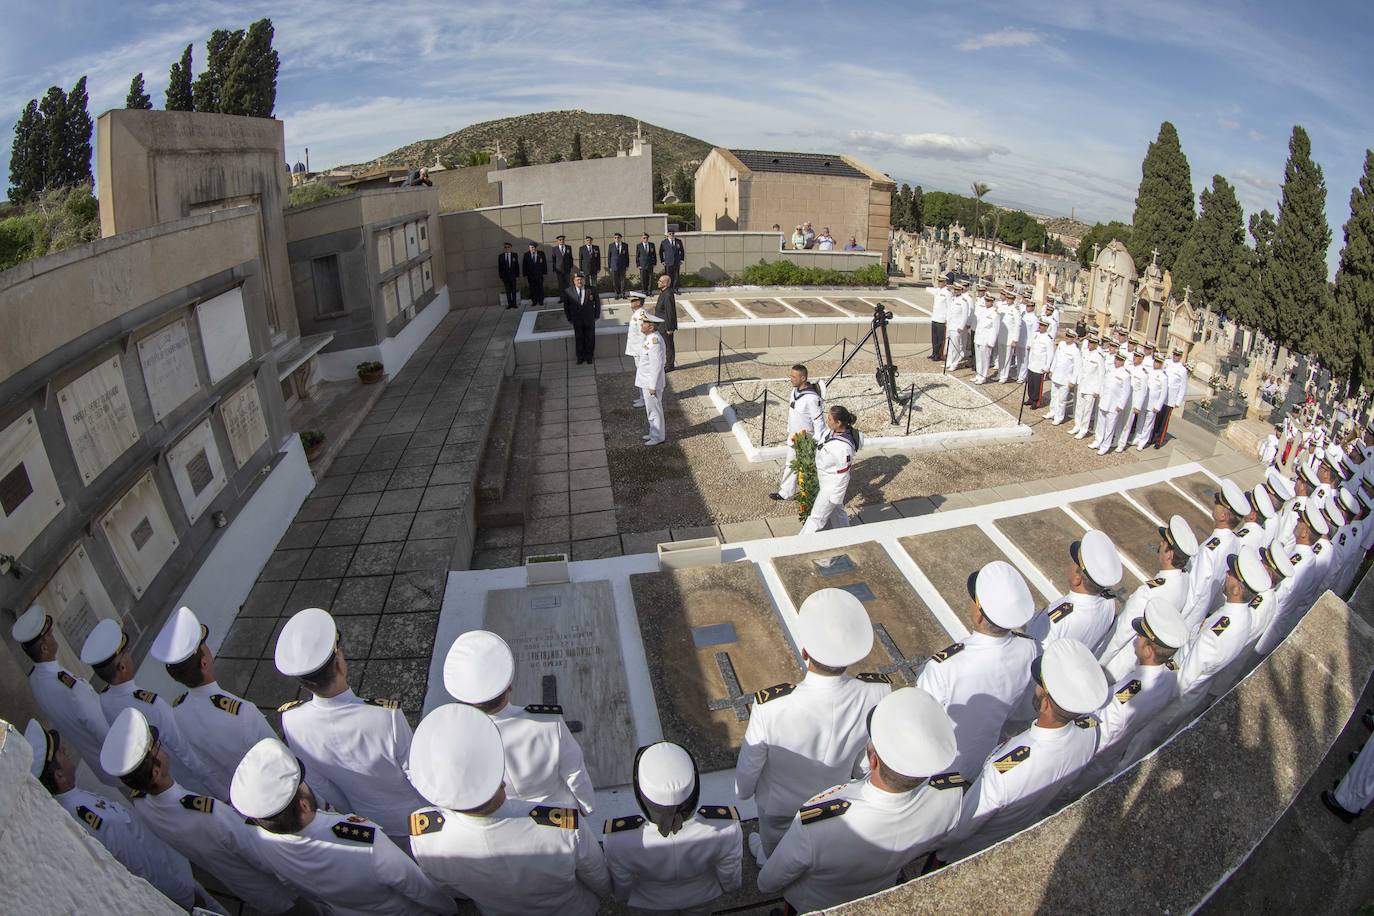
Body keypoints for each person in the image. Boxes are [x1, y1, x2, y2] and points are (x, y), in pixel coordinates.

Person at [757, 689, 963, 913]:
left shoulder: (819, 823)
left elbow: (769, 882)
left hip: (814, 904)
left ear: (873, 761)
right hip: (880, 889)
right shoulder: (949, 796)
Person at [406, 704, 609, 914]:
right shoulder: (563, 825)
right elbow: (596, 874)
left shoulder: (425, 838)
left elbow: (450, 888)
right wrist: (605, 893)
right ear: (501, 780)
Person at [735, 588, 891, 859]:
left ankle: (766, 859)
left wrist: (743, 792)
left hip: (778, 805)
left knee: (774, 850)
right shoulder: (877, 693)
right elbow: (863, 759)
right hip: (834, 800)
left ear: (805, 652)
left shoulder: (770, 706)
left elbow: (750, 765)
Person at [99, 707, 300, 914]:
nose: (162, 748)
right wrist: (295, 877)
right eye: (157, 747)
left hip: (244, 887)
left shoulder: (142, 804)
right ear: (157, 771)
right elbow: (258, 853)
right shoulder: (208, 813)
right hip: (278, 889)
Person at [230, 737, 455, 915]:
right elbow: (413, 884)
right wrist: (448, 908)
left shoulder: (260, 840)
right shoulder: (361, 841)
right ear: (304, 805)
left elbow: (292, 884)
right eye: (303, 784)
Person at [937, 639, 1109, 864]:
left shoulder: (1006, 770)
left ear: (1046, 703)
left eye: (1039, 684)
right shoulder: (1089, 732)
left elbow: (962, 828)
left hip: (967, 850)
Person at [274, 607, 428, 847]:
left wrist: (355, 813)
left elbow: (323, 785)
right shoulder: (385, 717)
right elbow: (417, 774)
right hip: (414, 814)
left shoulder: (291, 720)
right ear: (339, 663)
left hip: (366, 817)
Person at [25, 720, 198, 908]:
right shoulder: (88, 815)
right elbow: (138, 863)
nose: (66, 751)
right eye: (61, 753)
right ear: (59, 776)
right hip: (173, 881)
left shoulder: (74, 803)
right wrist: (184, 895)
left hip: (172, 866)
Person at [443, 629, 595, 814]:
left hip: (505, 824)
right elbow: (575, 774)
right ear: (509, 686)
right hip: (558, 820)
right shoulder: (548, 723)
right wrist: (586, 810)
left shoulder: (450, 738)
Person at [917, 560, 1038, 779]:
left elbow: (919, 725)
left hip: (937, 768)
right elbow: (1021, 706)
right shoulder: (1028, 646)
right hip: (985, 758)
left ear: (979, 615)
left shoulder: (944, 666)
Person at [149, 605, 276, 802]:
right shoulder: (242, 712)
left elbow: (205, 761)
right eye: (204, 647)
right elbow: (279, 755)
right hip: (272, 788)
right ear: (205, 663)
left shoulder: (178, 711)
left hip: (239, 794)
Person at [603, 743, 743, 916]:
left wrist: (623, 897)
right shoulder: (725, 826)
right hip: (700, 896)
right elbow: (730, 871)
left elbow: (622, 881)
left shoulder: (619, 838)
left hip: (651, 902)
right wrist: (730, 888)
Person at [80, 618, 211, 796]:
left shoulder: (104, 698)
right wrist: (212, 782)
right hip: (185, 778)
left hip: (158, 781)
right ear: (123, 666)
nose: (129, 655)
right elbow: (183, 748)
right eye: (126, 653)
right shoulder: (152, 704)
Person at [1076, 599, 1187, 789]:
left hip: (1087, 763)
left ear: (1148, 650)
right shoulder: (1170, 677)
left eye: (1141, 636)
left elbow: (1103, 733)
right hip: (1109, 761)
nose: (1137, 637)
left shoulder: (1128, 693)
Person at [10, 605, 114, 786]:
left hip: (101, 765)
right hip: (119, 759)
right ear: (44, 648)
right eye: (49, 634)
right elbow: (98, 724)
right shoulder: (69, 686)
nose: (53, 636)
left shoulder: (36, 679)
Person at [1098, 515, 1198, 666]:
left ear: (1169, 554)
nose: (1160, 543)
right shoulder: (1184, 579)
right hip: (1142, 661)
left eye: (1164, 542)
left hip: (1117, 664)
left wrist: (1099, 664)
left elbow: (1119, 636)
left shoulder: (1148, 593)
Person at [1025, 530, 1124, 656]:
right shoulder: (1109, 602)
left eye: (1074, 561)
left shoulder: (1054, 620)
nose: (1070, 562)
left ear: (1077, 579)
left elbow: (1031, 652)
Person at [1179, 480, 1248, 629]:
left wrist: (1178, 618)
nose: (1214, 502)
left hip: (1186, 619)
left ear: (1223, 515)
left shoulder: (1210, 550)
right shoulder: (1235, 542)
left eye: (1218, 501)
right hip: (1199, 617)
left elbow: (1195, 592)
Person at [800, 406, 861, 535]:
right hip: (825, 480)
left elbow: (844, 476)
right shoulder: (832, 431)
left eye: (829, 419)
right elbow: (822, 440)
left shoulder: (844, 448)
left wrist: (835, 497)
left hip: (831, 486)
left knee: (816, 518)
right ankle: (846, 538)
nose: (827, 421)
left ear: (838, 423)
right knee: (837, 513)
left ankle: (799, 546)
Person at [771, 364, 825, 501]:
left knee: (808, 469)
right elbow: (793, 413)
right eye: (791, 375)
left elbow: (818, 422)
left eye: (794, 377)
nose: (791, 379)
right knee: (790, 464)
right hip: (793, 437)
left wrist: (817, 441)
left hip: (806, 440)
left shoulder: (812, 398)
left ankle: (810, 495)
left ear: (803, 378)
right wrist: (789, 431)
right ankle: (785, 492)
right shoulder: (794, 392)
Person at [634, 308, 668, 446]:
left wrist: (653, 386)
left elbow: (656, 366)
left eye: (644, 323)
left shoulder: (655, 342)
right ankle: (654, 432)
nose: (641, 325)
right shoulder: (650, 338)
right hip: (646, 381)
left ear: (651, 326)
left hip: (651, 383)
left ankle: (658, 436)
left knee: (654, 410)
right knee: (651, 410)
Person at [1093, 348, 1130, 456]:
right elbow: (1104, 384)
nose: (1116, 361)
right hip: (1104, 400)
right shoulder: (1110, 369)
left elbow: (1126, 392)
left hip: (1114, 404)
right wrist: (1100, 393)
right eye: (1116, 359)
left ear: (1123, 361)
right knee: (1100, 423)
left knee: (1110, 427)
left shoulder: (1125, 375)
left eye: (1119, 359)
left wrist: (1121, 405)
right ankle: (1098, 440)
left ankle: (1105, 446)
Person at [1112, 349, 1148, 453]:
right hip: (1124, 399)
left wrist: (1138, 406)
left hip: (1133, 401)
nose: (1134, 358)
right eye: (1134, 356)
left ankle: (1122, 444)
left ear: (1142, 359)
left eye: (1137, 356)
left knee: (1127, 424)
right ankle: (1116, 440)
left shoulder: (1143, 373)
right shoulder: (1128, 368)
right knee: (1119, 421)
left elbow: (1143, 391)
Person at [563, 271, 602, 365]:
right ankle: (580, 357)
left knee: (590, 338)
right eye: (577, 279)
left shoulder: (592, 290)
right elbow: (566, 307)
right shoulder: (568, 291)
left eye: (581, 279)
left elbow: (597, 303)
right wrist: (569, 318)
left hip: (589, 319)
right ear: (574, 281)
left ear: (584, 280)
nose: (579, 281)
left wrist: (596, 316)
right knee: (579, 338)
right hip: (577, 320)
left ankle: (589, 357)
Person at [1152, 347, 1189, 448]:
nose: (1175, 357)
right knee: (1156, 418)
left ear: (1181, 356)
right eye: (1174, 354)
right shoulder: (1166, 362)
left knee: (1164, 421)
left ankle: (1159, 441)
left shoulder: (1182, 370)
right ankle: (1152, 437)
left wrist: (1178, 401)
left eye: (1177, 355)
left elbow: (1183, 387)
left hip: (1171, 399)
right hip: (1160, 396)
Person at [1070, 335, 1103, 439]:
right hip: (1082, 384)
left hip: (1091, 387)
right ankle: (1077, 425)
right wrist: (1077, 381)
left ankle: (1084, 429)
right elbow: (1080, 368)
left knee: (1087, 410)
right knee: (1079, 407)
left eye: (1092, 343)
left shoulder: (1099, 357)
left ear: (1096, 344)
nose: (1090, 344)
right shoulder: (1084, 352)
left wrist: (1097, 390)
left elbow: (1101, 375)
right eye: (1089, 342)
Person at [1048, 328, 1081, 424]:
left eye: (1070, 337)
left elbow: (1077, 367)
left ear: (1074, 338)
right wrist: (1051, 370)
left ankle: (1059, 416)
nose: (1067, 338)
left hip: (1066, 378)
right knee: (1053, 395)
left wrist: (1073, 381)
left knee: (1062, 399)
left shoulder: (1075, 351)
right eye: (1067, 336)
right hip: (1056, 375)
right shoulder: (1061, 345)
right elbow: (1056, 358)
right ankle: (1052, 411)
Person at [1135, 351, 1167, 450]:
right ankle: (1137, 437)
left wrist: (1158, 406)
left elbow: (1163, 393)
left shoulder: (1163, 377)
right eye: (1155, 361)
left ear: (1161, 364)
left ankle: (1143, 441)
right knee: (1140, 420)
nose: (1155, 363)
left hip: (1153, 403)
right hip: (1145, 400)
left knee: (1148, 423)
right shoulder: (1148, 372)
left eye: (1158, 362)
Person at [1024, 317, 1053, 410]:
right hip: (1032, 363)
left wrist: (1047, 366)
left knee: (1037, 386)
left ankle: (1036, 401)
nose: (1040, 326)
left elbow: (1050, 354)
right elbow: (1032, 348)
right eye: (1040, 324)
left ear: (1047, 327)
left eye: (1043, 325)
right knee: (1031, 383)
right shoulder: (1035, 334)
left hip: (1040, 366)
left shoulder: (1048, 339)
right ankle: (1031, 398)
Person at [972, 287, 999, 384]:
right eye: (986, 301)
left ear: (992, 302)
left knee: (985, 360)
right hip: (979, 338)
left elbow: (995, 330)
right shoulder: (983, 311)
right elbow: (979, 325)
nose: (986, 303)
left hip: (986, 340)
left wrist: (991, 342)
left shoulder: (995, 314)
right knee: (979, 359)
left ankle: (983, 377)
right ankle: (978, 375)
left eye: (988, 301)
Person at [944, 281, 972, 372]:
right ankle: (949, 361)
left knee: (955, 345)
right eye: (955, 290)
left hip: (957, 327)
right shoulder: (953, 299)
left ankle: (954, 363)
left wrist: (961, 326)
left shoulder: (964, 301)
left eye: (958, 290)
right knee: (950, 345)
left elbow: (964, 315)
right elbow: (949, 312)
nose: (956, 291)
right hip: (951, 325)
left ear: (961, 290)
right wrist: (947, 321)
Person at [625, 294, 648, 407]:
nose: (631, 303)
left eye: (633, 301)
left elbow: (644, 334)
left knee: (642, 375)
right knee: (640, 375)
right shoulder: (637, 314)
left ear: (638, 302)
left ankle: (645, 399)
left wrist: (643, 351)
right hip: (636, 350)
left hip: (639, 351)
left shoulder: (641, 315)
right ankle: (642, 397)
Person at [655, 273, 679, 371]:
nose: (658, 282)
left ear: (665, 283)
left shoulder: (668, 294)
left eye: (660, 281)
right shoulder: (664, 292)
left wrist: (670, 328)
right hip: (661, 325)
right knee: (664, 345)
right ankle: (667, 363)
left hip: (665, 326)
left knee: (668, 346)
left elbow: (670, 312)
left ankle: (670, 365)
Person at [929, 274, 950, 362]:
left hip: (942, 318)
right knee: (934, 337)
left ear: (945, 282)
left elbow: (949, 307)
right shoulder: (937, 291)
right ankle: (934, 353)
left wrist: (947, 319)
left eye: (941, 281)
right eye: (939, 281)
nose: (939, 283)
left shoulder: (948, 293)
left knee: (940, 338)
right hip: (935, 317)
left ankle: (939, 355)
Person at [1016, 299, 1037, 383]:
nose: (1028, 307)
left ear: (1033, 307)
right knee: (1019, 359)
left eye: (1030, 306)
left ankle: (1022, 376)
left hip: (1027, 342)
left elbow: (1034, 333)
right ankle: (1018, 374)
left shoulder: (1034, 318)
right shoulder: (1023, 315)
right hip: (1020, 339)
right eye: (1027, 306)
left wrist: (1030, 344)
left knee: (1025, 361)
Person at [522, 242, 547, 308]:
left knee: (540, 288)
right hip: (530, 275)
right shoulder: (526, 254)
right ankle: (534, 301)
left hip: (539, 275)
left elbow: (544, 264)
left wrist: (544, 272)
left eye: (532, 247)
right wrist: (525, 274)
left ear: (535, 247)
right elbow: (524, 265)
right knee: (532, 289)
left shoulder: (541, 253)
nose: (531, 248)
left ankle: (541, 301)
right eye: (530, 247)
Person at [498, 241, 521, 309]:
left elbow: (517, 266)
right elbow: (500, 267)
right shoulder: (501, 256)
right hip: (505, 277)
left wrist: (517, 275)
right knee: (507, 291)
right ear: (504, 248)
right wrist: (501, 276)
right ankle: (509, 304)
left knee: (513, 290)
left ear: (511, 248)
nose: (507, 248)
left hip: (513, 276)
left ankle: (514, 304)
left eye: (508, 247)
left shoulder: (514, 255)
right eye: (505, 247)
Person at [607, 232, 630, 299]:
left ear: (620, 238)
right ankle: (617, 293)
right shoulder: (611, 245)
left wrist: (627, 265)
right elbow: (609, 256)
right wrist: (609, 266)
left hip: (623, 265)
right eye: (615, 238)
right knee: (615, 280)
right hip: (614, 266)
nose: (616, 239)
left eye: (618, 237)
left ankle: (623, 294)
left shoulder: (625, 245)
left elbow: (627, 256)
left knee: (623, 280)